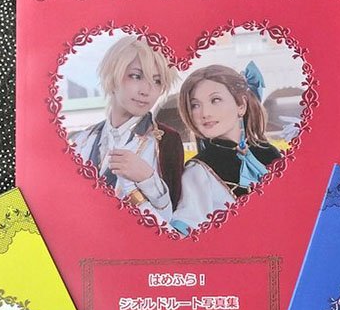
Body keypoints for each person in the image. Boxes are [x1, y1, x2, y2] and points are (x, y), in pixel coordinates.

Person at [73, 35, 184, 226]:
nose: (146, 91)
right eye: (136, 76)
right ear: (113, 76)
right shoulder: (82, 140)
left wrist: (148, 179)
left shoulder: (167, 141)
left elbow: (175, 221)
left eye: (157, 81)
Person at [171, 62, 282, 233]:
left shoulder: (270, 153)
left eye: (215, 100)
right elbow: (187, 227)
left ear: (241, 105)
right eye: (195, 105)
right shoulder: (198, 172)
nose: (205, 113)